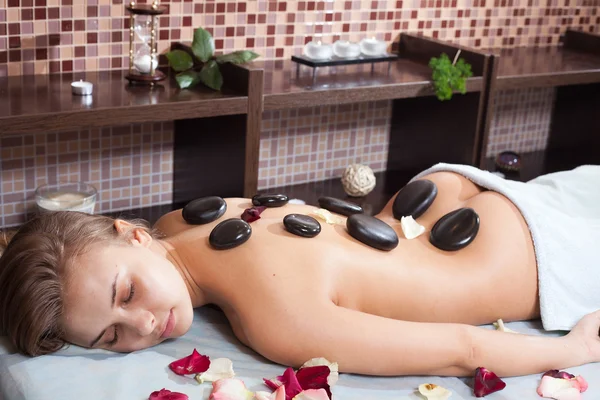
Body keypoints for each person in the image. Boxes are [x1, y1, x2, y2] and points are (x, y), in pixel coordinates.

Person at [1, 163, 600, 379]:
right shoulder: (178, 221)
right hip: (470, 203)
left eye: (126, 292)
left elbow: (464, 350)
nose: (142, 324)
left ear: (131, 232)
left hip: (550, 249)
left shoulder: (276, 320)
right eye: (110, 336)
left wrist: (571, 351)